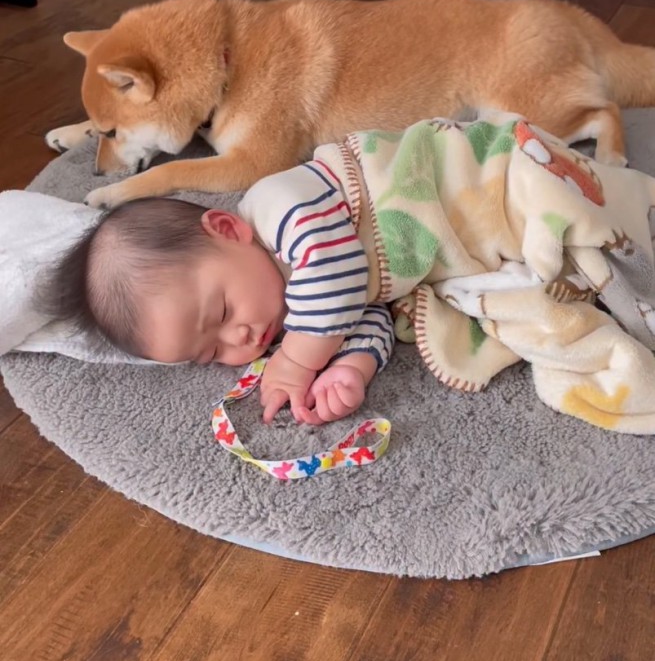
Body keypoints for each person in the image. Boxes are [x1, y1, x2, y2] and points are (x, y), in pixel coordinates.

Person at [42, 114, 655, 434]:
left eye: (221, 313)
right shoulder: (286, 308)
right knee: (545, 302)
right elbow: (364, 312)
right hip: (455, 243)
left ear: (227, 230)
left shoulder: (279, 207)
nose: (240, 340)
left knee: (581, 219)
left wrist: (297, 362)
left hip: (471, 174)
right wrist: (349, 367)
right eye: (210, 353)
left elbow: (334, 276)